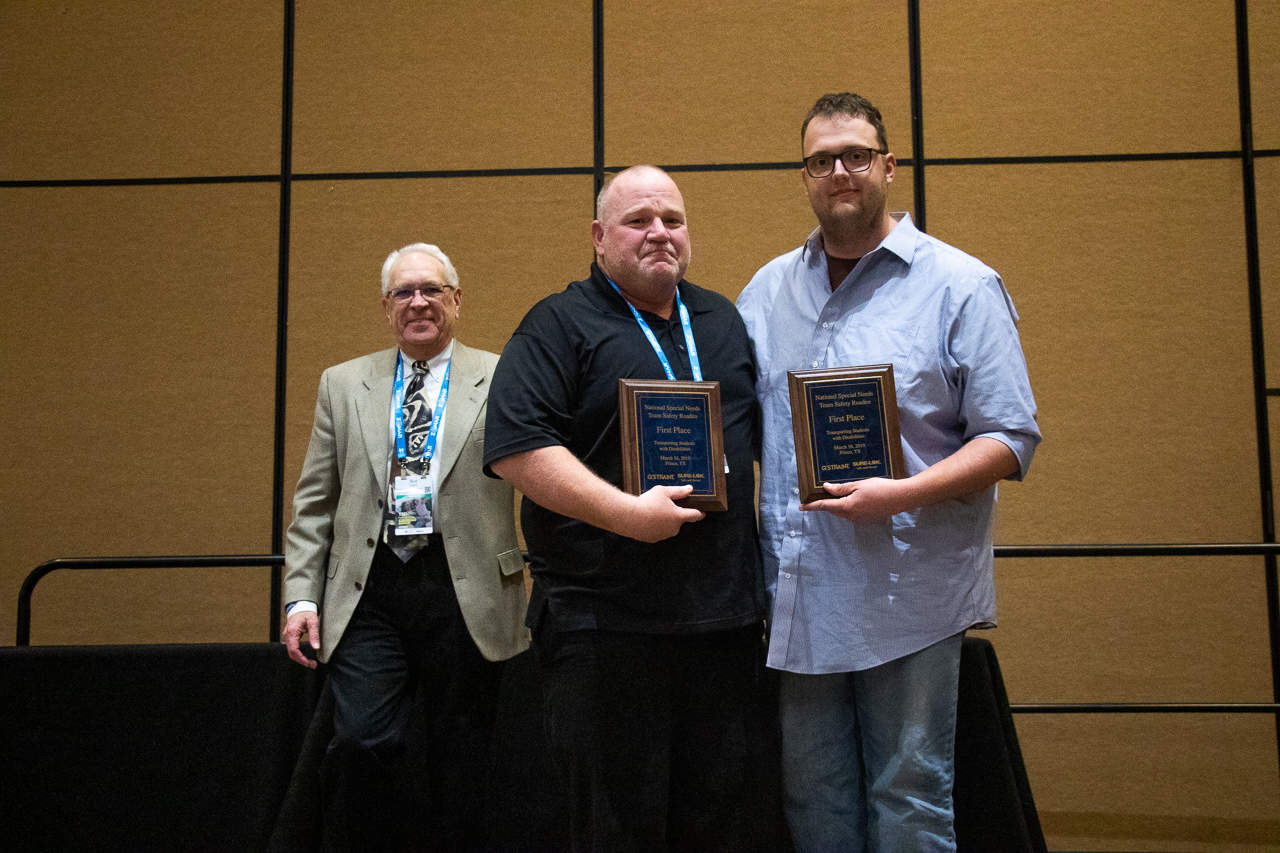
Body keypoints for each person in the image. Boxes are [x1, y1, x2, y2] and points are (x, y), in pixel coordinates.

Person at [736, 92, 1041, 851]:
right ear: (803, 176)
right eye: (820, 160)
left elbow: (1010, 437)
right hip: (800, 595)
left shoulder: (962, 285)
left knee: (908, 799)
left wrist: (901, 493)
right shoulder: (764, 291)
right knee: (813, 801)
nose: (839, 171)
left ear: (888, 166)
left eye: (855, 155)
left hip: (910, 596)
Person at [484, 165, 769, 852]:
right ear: (598, 235)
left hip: (722, 624)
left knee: (720, 823)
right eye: (639, 219)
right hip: (605, 624)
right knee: (618, 830)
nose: (659, 233)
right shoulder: (557, 323)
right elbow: (518, 448)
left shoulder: (722, 320)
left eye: (672, 219)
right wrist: (623, 513)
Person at [280, 242, 529, 851]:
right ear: (386, 308)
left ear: (456, 300)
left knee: (462, 759)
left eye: (432, 290)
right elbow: (315, 503)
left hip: (466, 587)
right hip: (371, 588)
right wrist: (299, 599)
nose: (418, 303)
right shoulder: (342, 384)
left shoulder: (504, 377)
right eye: (403, 293)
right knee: (364, 741)